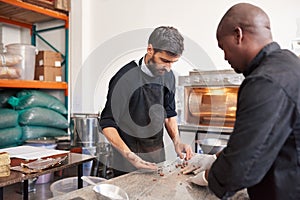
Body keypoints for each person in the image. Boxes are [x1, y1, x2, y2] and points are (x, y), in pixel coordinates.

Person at [181, 3, 300, 200]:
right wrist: (216, 158)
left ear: (238, 35)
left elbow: (240, 168)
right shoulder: (288, 64)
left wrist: (210, 175)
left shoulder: (265, 81)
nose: (225, 56)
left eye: (223, 47)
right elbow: (264, 139)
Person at [99, 26, 193, 177]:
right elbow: (108, 123)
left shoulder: (169, 77)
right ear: (150, 50)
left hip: (157, 160)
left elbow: (169, 115)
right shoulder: (125, 78)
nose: (168, 68)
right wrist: (131, 157)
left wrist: (177, 142)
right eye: (164, 61)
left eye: (172, 63)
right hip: (127, 163)